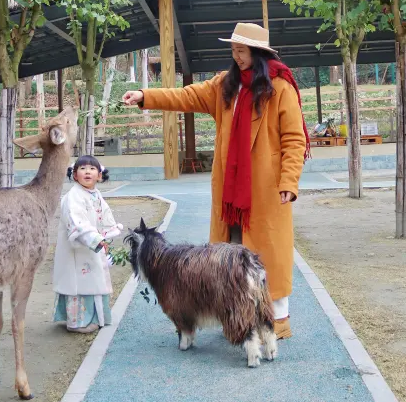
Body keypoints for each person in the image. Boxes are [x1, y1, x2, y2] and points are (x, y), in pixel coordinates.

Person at [123, 22, 310, 340]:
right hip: (229, 194)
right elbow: (186, 96)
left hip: (264, 194)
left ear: (258, 53)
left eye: (242, 51)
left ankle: (276, 322)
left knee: (268, 261)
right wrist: (145, 96)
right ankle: (237, 318)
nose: (236, 56)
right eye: (234, 50)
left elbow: (294, 140)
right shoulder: (225, 86)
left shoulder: (281, 88)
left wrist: (289, 183)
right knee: (228, 259)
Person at [53, 155, 122, 334]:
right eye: (82, 169)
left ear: (99, 175)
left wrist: (104, 236)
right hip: (77, 247)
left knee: (93, 278)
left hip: (91, 244)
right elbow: (77, 222)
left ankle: (93, 317)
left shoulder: (94, 194)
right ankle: (77, 322)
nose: (87, 172)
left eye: (92, 169)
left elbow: (104, 215)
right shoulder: (73, 196)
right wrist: (94, 238)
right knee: (79, 281)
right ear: (75, 175)